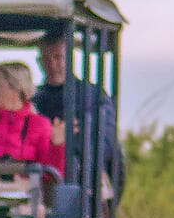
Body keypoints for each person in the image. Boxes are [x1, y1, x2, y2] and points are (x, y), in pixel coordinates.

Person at [35, 33, 125, 205]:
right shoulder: (35, 100)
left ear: (69, 58)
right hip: (44, 180)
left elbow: (106, 142)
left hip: (83, 181)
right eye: (46, 59)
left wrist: (70, 148)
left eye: (58, 58)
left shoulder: (92, 95)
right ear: (39, 61)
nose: (52, 65)